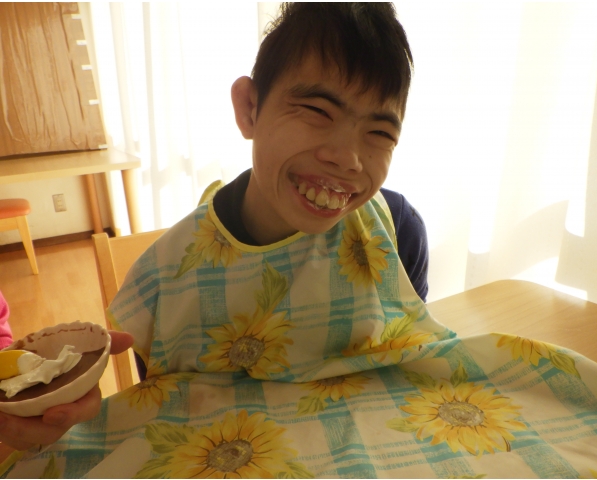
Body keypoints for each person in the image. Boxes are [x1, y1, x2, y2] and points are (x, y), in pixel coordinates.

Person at [0, 0, 442, 468]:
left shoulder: (398, 233)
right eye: (317, 110)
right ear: (249, 108)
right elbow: (163, 416)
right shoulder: (165, 281)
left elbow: (407, 361)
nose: (347, 158)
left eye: (380, 133)